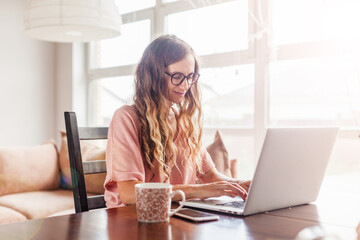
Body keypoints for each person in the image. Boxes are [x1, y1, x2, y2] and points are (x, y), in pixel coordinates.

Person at [104, 35, 251, 208]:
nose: (186, 85)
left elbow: (211, 176)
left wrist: (241, 185)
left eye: (190, 76)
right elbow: (129, 194)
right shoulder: (126, 118)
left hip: (175, 215)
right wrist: (202, 190)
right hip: (132, 219)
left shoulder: (184, 121)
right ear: (153, 75)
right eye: (177, 76)